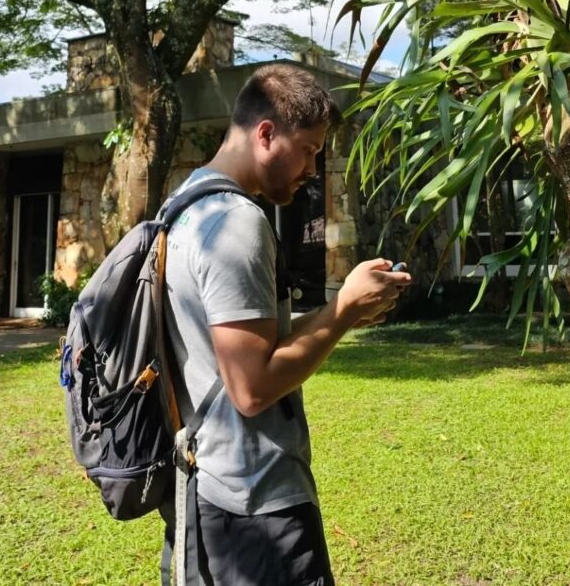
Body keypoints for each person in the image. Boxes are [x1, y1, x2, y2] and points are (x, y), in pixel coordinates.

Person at [160, 63, 411, 586]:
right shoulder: (235, 225)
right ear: (267, 134)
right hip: (254, 507)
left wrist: (345, 304)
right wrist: (341, 314)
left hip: (210, 495)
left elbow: (249, 342)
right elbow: (252, 389)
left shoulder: (185, 205)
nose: (314, 169)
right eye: (311, 150)